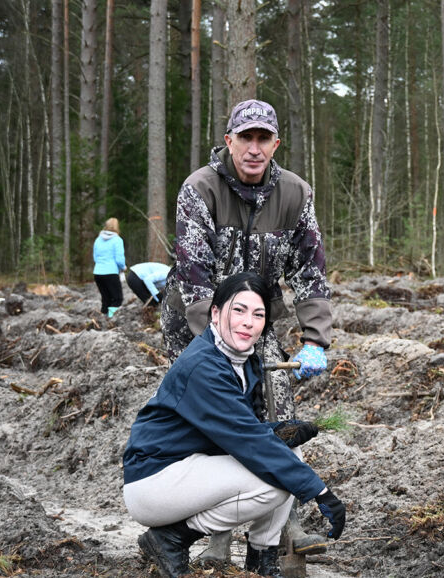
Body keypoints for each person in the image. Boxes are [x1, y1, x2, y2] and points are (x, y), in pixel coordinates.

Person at [161, 99, 333, 558]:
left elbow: (310, 271)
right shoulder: (199, 188)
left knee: (278, 409)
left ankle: (285, 527)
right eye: (245, 138)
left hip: (257, 319)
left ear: (275, 144)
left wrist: (315, 339)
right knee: (215, 413)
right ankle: (214, 539)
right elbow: (194, 275)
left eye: (263, 139)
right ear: (229, 141)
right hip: (196, 320)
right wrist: (219, 350)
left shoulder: (295, 193)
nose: (254, 148)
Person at [123, 272, 346, 578]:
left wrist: (275, 432)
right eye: (239, 310)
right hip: (154, 481)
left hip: (189, 466)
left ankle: (262, 559)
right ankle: (172, 538)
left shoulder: (242, 360)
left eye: (258, 314)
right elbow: (245, 440)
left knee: (288, 455)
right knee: (275, 483)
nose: (248, 322)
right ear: (215, 313)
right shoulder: (203, 365)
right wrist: (319, 491)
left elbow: (235, 431)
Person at [92, 217, 127, 318]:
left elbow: (95, 257)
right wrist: (123, 267)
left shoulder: (98, 239)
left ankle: (102, 319)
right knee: (117, 298)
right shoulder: (117, 240)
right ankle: (111, 320)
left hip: (97, 273)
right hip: (111, 272)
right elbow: (119, 259)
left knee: (105, 299)